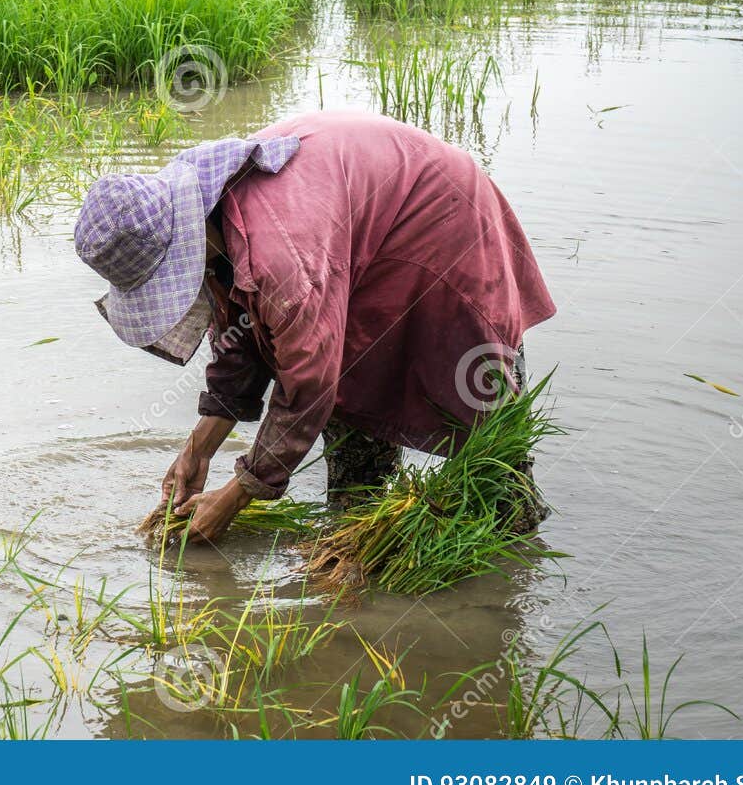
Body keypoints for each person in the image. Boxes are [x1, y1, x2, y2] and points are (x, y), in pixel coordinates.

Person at [73, 110, 556, 543]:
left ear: (183, 239)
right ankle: (359, 526)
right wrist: (199, 448)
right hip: (354, 236)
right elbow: (244, 330)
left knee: (488, 445)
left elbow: (307, 385)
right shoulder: (216, 223)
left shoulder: (280, 257)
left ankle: (510, 559)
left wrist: (239, 493)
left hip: (445, 226)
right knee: (349, 407)